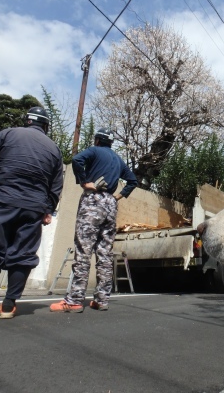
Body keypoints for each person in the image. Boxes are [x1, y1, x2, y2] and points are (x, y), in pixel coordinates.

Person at [50, 127, 137, 313]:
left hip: (93, 200)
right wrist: (118, 197)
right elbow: (133, 181)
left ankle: (74, 300)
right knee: (105, 253)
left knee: (83, 249)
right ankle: (102, 300)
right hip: (110, 204)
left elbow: (76, 159)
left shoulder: (94, 150)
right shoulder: (118, 159)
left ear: (98, 140)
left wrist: (83, 181)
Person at [0, 106, 64, 319]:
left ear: (28, 121)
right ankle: (8, 305)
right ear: (45, 125)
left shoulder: (8, 134)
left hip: (1, 199)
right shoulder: (54, 149)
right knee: (23, 254)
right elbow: (56, 185)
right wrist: (48, 209)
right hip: (33, 207)